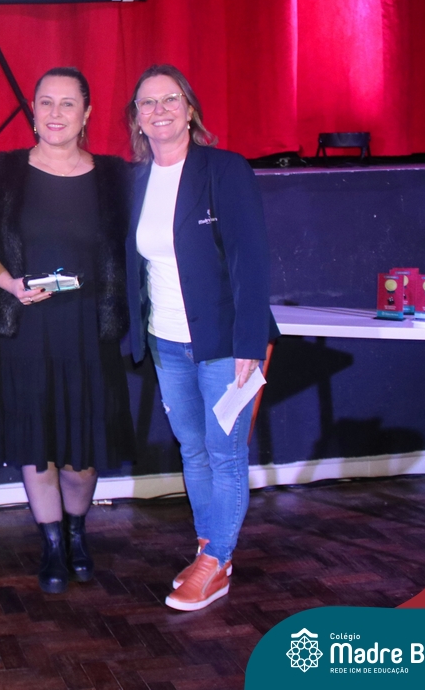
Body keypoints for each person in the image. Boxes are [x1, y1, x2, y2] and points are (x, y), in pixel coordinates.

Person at [123, 63, 277, 611]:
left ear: (189, 109)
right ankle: (210, 549)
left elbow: (250, 260)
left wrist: (250, 344)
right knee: (193, 449)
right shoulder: (137, 180)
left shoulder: (224, 170)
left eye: (170, 99)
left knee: (224, 453)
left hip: (224, 344)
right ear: (137, 118)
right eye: (147, 103)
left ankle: (216, 562)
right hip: (165, 343)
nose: (159, 110)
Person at [0, 67, 133, 594]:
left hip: (90, 332)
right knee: (38, 446)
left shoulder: (115, 178)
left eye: (67, 103)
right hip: (27, 330)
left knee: (80, 457)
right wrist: (8, 283)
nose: (55, 113)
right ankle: (52, 542)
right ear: (33, 111)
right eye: (45, 102)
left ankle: (76, 530)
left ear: (86, 113)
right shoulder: (3, 172)